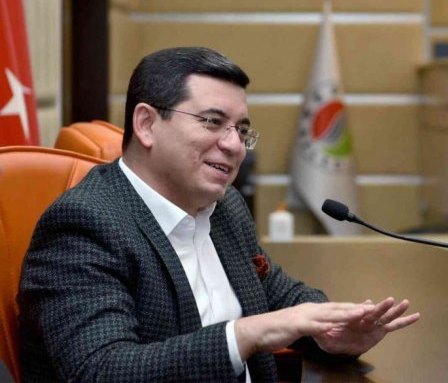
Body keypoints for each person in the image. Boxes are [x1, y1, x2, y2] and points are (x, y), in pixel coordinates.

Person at [18, 47, 420, 382]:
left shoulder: (225, 207)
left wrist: (332, 330)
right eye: (213, 122)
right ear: (146, 124)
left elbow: (278, 295)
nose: (234, 145)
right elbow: (102, 370)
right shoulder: (83, 224)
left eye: (241, 130)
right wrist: (245, 334)